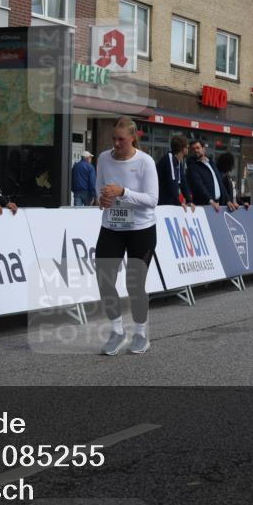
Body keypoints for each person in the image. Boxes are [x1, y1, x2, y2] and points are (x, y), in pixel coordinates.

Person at [95, 117, 159, 356]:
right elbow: (98, 186)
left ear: (133, 138)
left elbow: (152, 200)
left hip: (141, 230)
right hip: (112, 226)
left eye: (121, 139)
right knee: (104, 280)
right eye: (114, 138)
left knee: (134, 284)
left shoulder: (145, 162)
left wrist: (123, 192)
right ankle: (117, 331)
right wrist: (101, 199)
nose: (116, 143)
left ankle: (141, 333)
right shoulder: (103, 158)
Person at [186, 140, 235, 212]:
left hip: (218, 204)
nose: (195, 150)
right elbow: (199, 186)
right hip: (205, 206)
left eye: (197, 148)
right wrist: (211, 201)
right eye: (193, 149)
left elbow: (219, 183)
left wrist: (228, 200)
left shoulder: (211, 163)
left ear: (203, 149)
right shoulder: (192, 167)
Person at [157, 135, 193, 209]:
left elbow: (183, 182)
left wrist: (189, 201)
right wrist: (178, 204)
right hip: (162, 204)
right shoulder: (169, 158)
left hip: (169, 203)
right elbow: (172, 183)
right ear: (182, 148)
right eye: (187, 147)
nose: (188, 148)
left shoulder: (178, 161)